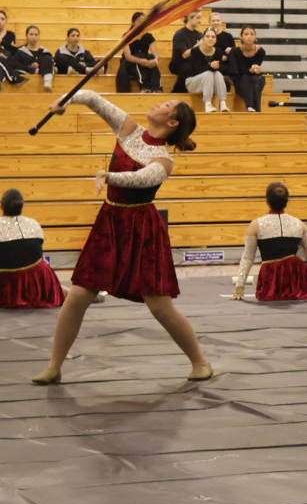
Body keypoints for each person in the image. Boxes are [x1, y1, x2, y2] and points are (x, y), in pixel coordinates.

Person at [31, 90, 210, 384]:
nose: (158, 104)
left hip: (142, 230)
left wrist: (109, 176)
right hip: (110, 223)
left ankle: (200, 362)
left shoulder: (163, 159)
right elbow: (92, 98)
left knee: (160, 307)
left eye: (167, 105)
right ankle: (54, 366)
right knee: (78, 295)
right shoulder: (128, 128)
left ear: (174, 122)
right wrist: (65, 101)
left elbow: (144, 179)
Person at [230, 182, 307, 302]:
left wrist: (239, 287)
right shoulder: (299, 224)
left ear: (267, 201)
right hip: (296, 274)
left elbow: (248, 258)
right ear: (287, 201)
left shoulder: (256, 225)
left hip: (272, 279)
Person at [0, 189, 65, 309]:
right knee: (35, 270)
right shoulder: (34, 223)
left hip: (12, 287)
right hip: (43, 281)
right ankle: (66, 291)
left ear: (1, 206)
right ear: (22, 206)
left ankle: (68, 291)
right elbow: (36, 256)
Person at [116, 11, 162, 93]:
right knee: (140, 55)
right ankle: (144, 86)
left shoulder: (149, 36)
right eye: (139, 22)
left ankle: (157, 87)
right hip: (130, 63)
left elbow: (155, 53)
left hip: (144, 61)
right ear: (133, 23)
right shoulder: (127, 36)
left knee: (151, 57)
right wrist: (141, 61)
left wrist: (155, 61)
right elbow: (128, 56)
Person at [184, 28, 228, 113]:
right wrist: (210, 66)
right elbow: (197, 70)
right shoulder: (195, 51)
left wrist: (216, 67)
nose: (210, 38)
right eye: (207, 36)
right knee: (208, 73)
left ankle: (223, 102)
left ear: (216, 40)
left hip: (211, 83)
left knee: (217, 73)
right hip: (193, 82)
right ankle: (208, 103)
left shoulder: (218, 51)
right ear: (203, 39)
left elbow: (223, 68)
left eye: (213, 37)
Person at [226, 26, 266, 112]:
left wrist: (257, 69)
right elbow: (237, 71)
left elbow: (256, 70)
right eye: (246, 34)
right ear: (241, 36)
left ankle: (253, 108)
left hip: (254, 79)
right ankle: (252, 107)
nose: (249, 37)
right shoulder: (235, 52)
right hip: (240, 80)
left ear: (255, 37)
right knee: (246, 78)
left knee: (256, 79)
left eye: (252, 34)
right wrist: (250, 70)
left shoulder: (261, 51)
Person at [11, 25, 55, 90]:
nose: (34, 37)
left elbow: (52, 64)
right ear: (26, 36)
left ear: (39, 37)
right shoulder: (20, 52)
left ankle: (47, 81)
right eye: (31, 34)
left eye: (36, 35)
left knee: (47, 59)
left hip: (42, 79)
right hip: (27, 83)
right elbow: (15, 66)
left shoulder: (45, 52)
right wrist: (32, 69)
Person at [170, 12, 203, 94]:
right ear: (190, 18)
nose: (200, 21)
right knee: (187, 68)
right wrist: (199, 44)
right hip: (179, 63)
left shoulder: (199, 35)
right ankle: (177, 91)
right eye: (198, 18)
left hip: (194, 63)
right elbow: (184, 55)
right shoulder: (180, 34)